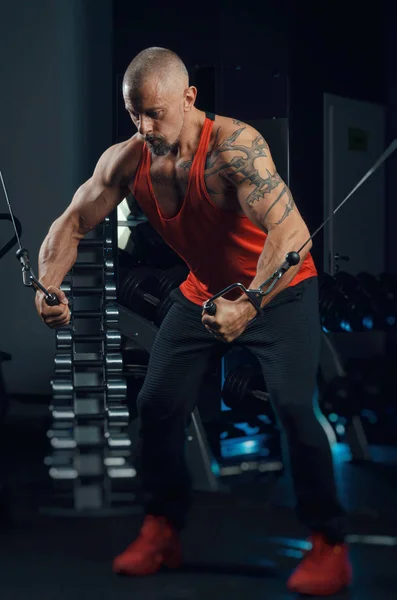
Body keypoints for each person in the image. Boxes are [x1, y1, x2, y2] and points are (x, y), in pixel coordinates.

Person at [35, 47, 352, 595]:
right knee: (156, 405)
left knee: (295, 409)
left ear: (189, 98)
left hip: (279, 292)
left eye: (155, 112)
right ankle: (162, 528)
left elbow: (292, 235)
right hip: (203, 291)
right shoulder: (127, 159)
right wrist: (49, 285)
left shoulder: (234, 148)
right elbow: (73, 220)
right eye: (134, 113)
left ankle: (329, 543)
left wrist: (251, 303)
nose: (144, 126)